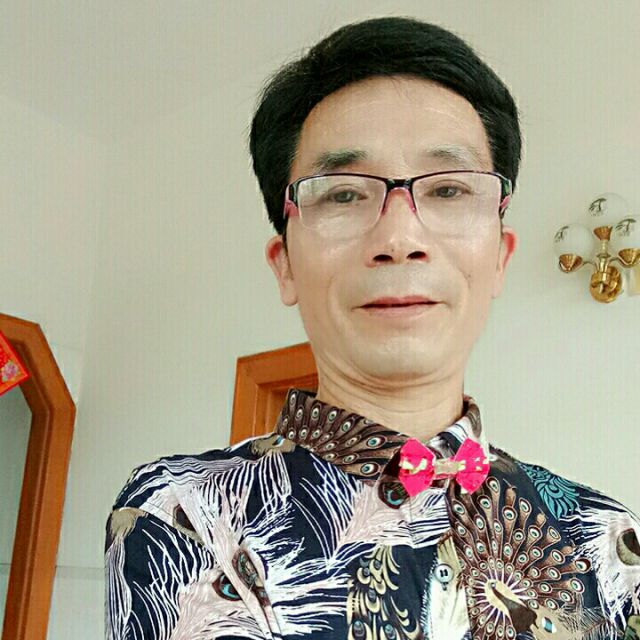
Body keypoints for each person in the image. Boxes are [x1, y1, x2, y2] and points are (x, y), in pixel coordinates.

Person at [105, 16, 640, 640]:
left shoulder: (609, 541)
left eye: (448, 190)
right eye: (342, 194)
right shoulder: (181, 512)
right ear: (286, 266)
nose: (400, 237)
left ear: (500, 257)